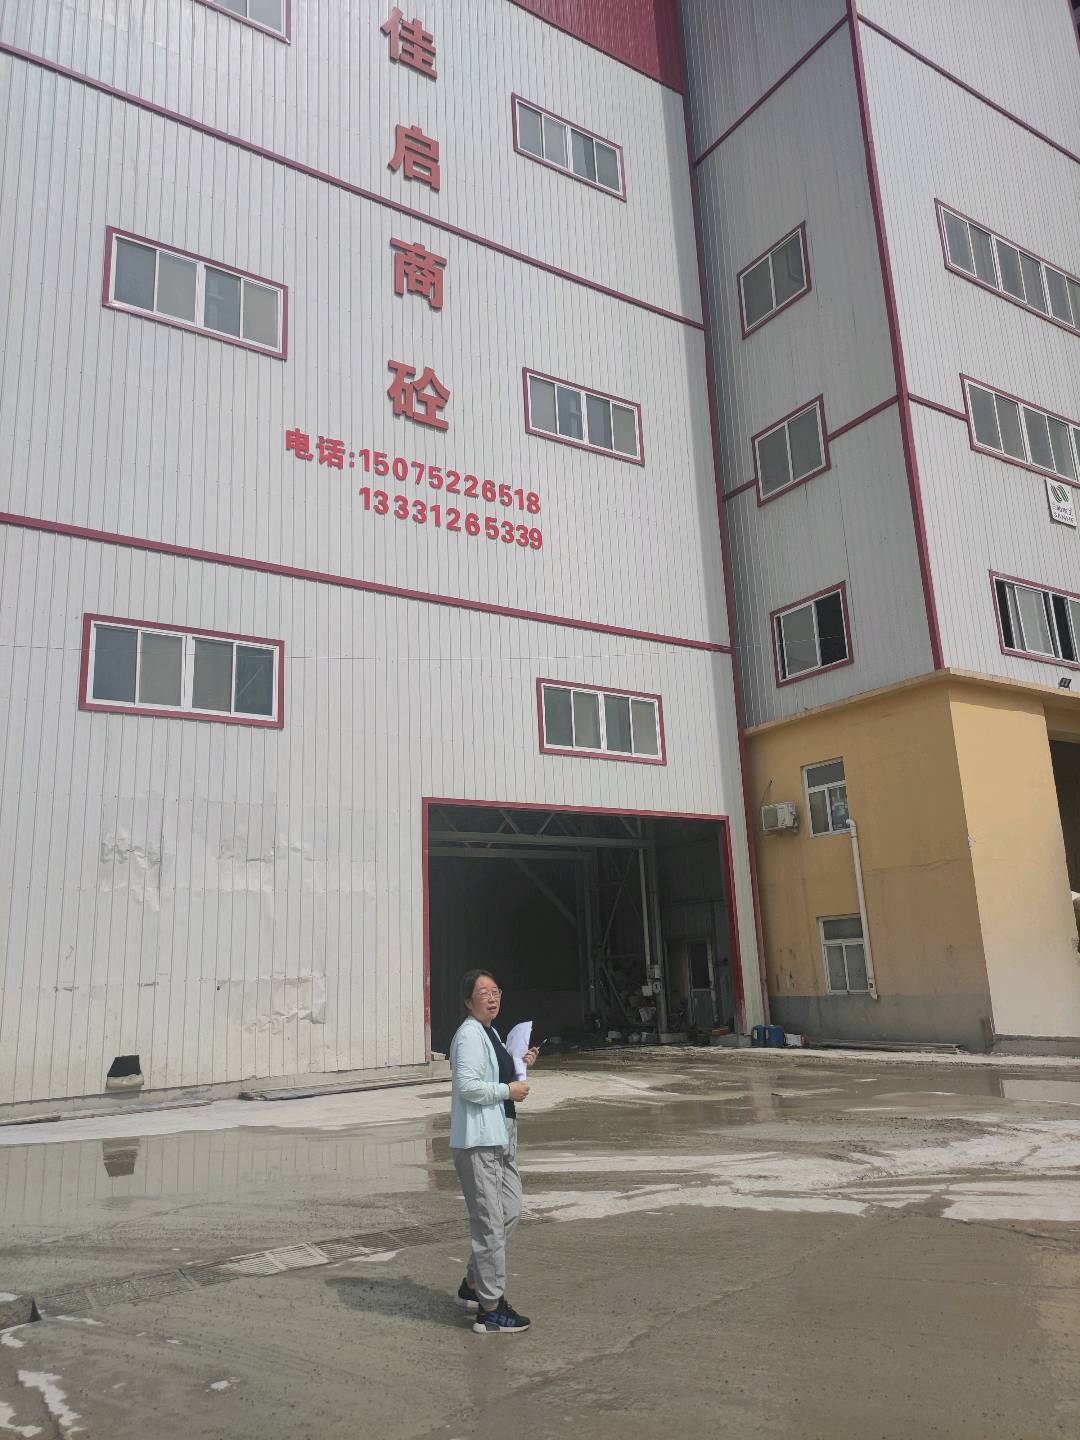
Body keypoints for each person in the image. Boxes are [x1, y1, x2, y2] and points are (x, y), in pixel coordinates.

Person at [449, 969, 539, 1334]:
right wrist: (507, 1091)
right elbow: (469, 1086)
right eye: (483, 992)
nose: (492, 997)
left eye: (496, 990)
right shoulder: (469, 1035)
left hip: (502, 1136)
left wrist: (520, 1066)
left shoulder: (492, 1033)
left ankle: (473, 1283)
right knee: (489, 1224)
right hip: (479, 1141)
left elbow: (498, 1075)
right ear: (468, 1000)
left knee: (509, 1211)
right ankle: (490, 1310)